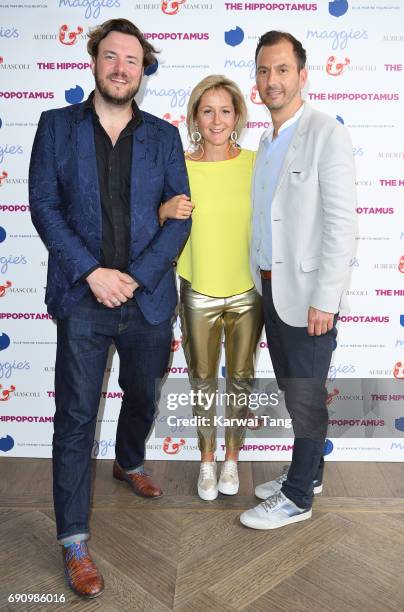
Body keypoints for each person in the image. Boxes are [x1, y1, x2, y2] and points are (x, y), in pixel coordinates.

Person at [29, 18, 191, 598]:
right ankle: (74, 540)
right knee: (74, 417)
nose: (121, 68)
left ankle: (128, 460)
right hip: (82, 296)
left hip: (147, 300)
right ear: (95, 62)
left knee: (144, 394)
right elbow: (44, 207)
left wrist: (138, 277)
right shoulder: (54, 128)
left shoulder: (165, 137)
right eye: (111, 57)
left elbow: (180, 215)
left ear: (143, 68)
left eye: (132, 59)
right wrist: (94, 274)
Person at [239, 31, 357, 530]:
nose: (272, 80)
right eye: (264, 71)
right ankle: (309, 474)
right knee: (296, 391)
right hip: (270, 289)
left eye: (282, 70)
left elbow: (341, 224)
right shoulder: (265, 141)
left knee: (306, 396)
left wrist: (325, 299)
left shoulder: (326, 133)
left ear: (303, 76)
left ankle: (296, 499)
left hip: (310, 296)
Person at [159, 75, 263, 501]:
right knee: (202, 379)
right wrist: (164, 209)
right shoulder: (178, 166)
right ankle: (206, 461)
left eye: (225, 110)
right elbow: (149, 216)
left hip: (248, 290)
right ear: (195, 119)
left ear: (237, 115)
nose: (217, 120)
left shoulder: (258, 162)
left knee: (241, 380)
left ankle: (231, 461)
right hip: (198, 288)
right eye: (208, 111)